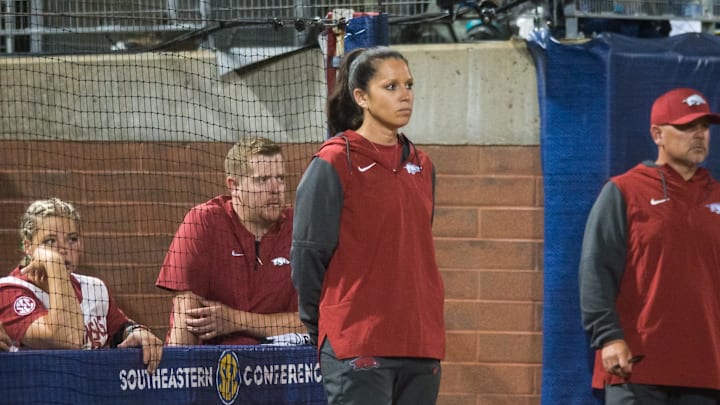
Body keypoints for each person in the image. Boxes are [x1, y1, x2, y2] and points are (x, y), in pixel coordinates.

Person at [291, 46, 446, 405]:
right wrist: (327, 328)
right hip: (356, 343)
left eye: (409, 84)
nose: (405, 94)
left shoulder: (422, 165)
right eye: (390, 87)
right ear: (361, 96)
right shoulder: (333, 161)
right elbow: (308, 257)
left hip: (420, 344)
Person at [579, 87, 720, 404]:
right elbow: (595, 270)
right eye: (686, 127)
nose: (699, 135)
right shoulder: (624, 191)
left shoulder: (717, 196)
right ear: (657, 134)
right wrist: (608, 337)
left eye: (704, 127)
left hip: (706, 371)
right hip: (637, 369)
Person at [156, 136, 304, 346]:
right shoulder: (204, 222)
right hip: (215, 368)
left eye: (280, 178)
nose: (275, 189)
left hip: (284, 367)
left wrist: (234, 320)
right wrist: (180, 373)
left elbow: (314, 322)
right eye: (262, 180)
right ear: (233, 186)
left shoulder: (299, 227)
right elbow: (187, 315)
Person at [0, 198, 162, 373]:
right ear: (28, 247)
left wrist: (135, 331)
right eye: (50, 241)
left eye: (72, 239)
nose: (63, 249)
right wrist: (53, 262)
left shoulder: (94, 288)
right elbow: (67, 339)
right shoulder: (8, 291)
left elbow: (119, 329)